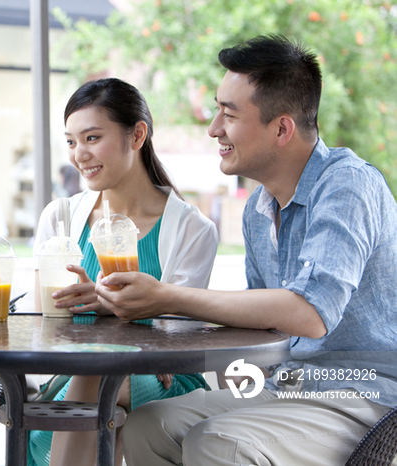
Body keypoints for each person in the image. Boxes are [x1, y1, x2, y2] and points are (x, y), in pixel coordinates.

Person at [110, 35, 397, 466]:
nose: (213, 129)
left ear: (282, 128)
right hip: (290, 387)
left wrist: (169, 297)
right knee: (149, 426)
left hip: (362, 394)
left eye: (228, 114)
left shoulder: (348, 185)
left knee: (218, 441)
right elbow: (261, 326)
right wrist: (154, 327)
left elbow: (310, 313)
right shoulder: (257, 212)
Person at [30, 78, 219, 466]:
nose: (79, 154)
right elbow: (45, 327)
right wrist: (78, 307)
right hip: (72, 379)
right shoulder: (61, 218)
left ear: (137, 135)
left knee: (100, 377)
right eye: (71, 141)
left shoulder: (191, 229)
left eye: (92, 138)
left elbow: (177, 333)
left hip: (165, 380)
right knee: (98, 386)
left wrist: (99, 304)